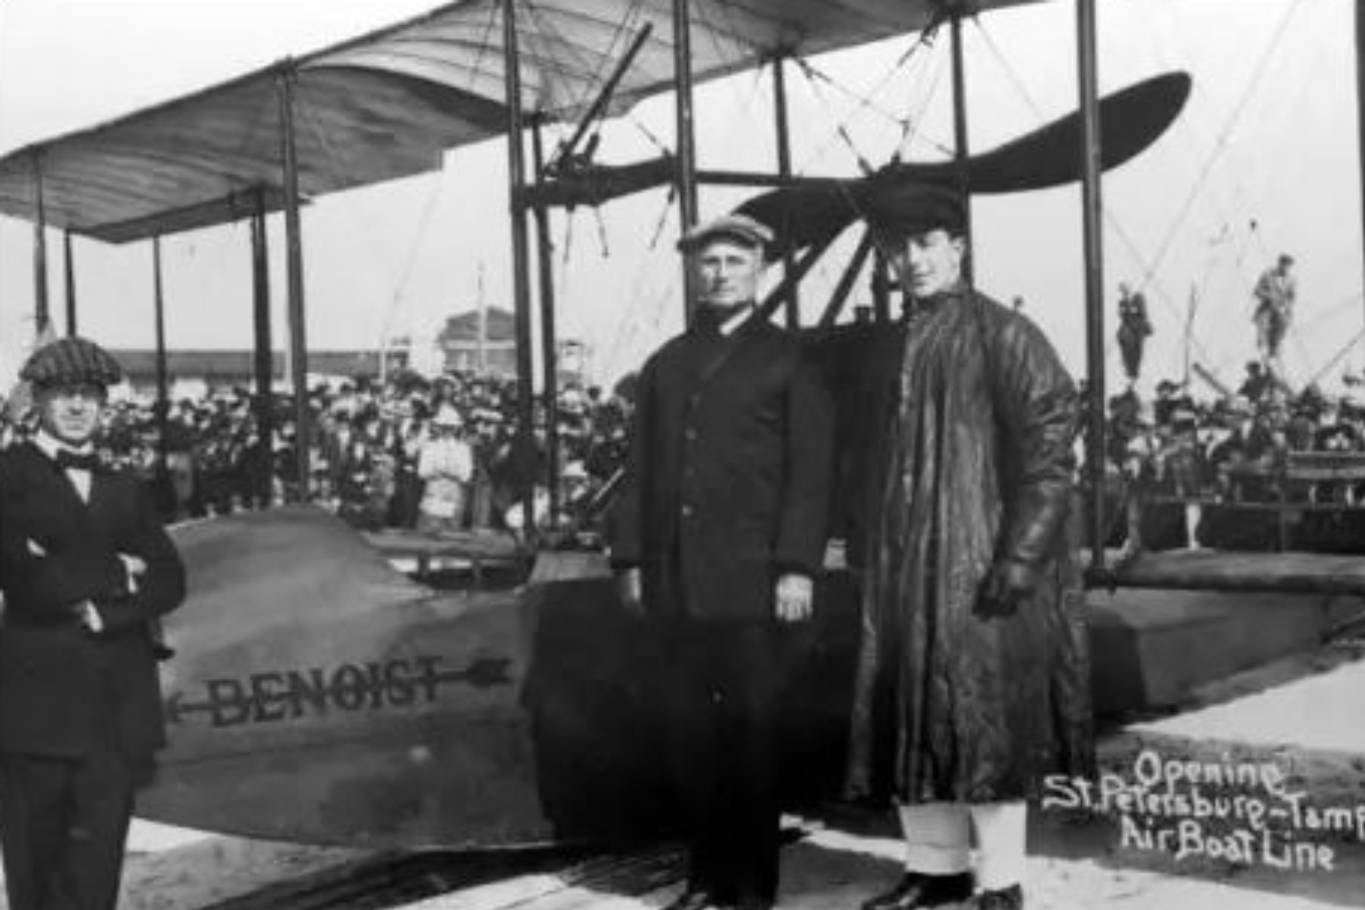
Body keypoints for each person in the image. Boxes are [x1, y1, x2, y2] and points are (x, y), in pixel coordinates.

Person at [842, 181, 1092, 910]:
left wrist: (1020, 556)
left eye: (925, 244)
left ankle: (1001, 882)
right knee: (910, 713)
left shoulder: (1006, 334)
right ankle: (934, 869)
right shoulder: (890, 344)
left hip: (979, 562)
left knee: (986, 725)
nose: (912, 261)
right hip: (902, 563)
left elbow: (1051, 452)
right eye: (897, 249)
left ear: (958, 246)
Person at [609, 213, 835, 910]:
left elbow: (810, 474)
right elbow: (640, 471)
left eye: (735, 261)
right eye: (709, 262)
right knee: (692, 741)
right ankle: (705, 880)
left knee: (752, 739)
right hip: (678, 584)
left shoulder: (790, 359)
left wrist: (796, 566)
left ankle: (751, 888)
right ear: (693, 273)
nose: (721, 274)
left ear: (760, 270)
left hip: (753, 585)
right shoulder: (666, 363)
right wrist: (630, 560)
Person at [0, 336, 187, 910]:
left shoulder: (122, 485)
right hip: (37, 717)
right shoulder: (8, 476)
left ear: (105, 405)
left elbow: (170, 580)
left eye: (90, 395)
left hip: (114, 716)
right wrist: (121, 568)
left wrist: (105, 609)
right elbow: (31, 583)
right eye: (65, 395)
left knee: (95, 880)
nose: (79, 406)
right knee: (37, 880)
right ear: (38, 400)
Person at [416, 404, 474, 533]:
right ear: (439, 428)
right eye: (444, 427)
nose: (447, 430)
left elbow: (466, 475)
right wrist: (435, 473)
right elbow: (421, 472)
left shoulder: (463, 448)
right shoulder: (430, 446)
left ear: (456, 429)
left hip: (453, 496)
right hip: (433, 495)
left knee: (450, 533)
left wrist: (453, 474)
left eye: (451, 427)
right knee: (430, 531)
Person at [1253, 253, 1296, 364]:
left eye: (1288, 265)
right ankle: (1262, 355)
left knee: (1281, 329)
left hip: (1280, 310)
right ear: (1279, 263)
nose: (1285, 267)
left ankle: (1273, 355)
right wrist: (1269, 296)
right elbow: (1257, 290)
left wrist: (1288, 307)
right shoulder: (1268, 275)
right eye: (1283, 264)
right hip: (1266, 308)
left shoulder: (1291, 280)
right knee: (1262, 332)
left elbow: (1292, 297)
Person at [1115, 281, 1152, 383]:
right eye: (1122, 290)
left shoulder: (1138, 297)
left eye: (1125, 290)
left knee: (1136, 352)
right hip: (1128, 332)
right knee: (1127, 352)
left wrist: (1131, 310)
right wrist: (1128, 310)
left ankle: (1133, 372)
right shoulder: (1123, 302)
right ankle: (1130, 372)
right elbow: (1123, 314)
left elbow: (1142, 312)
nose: (1124, 292)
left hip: (1137, 330)